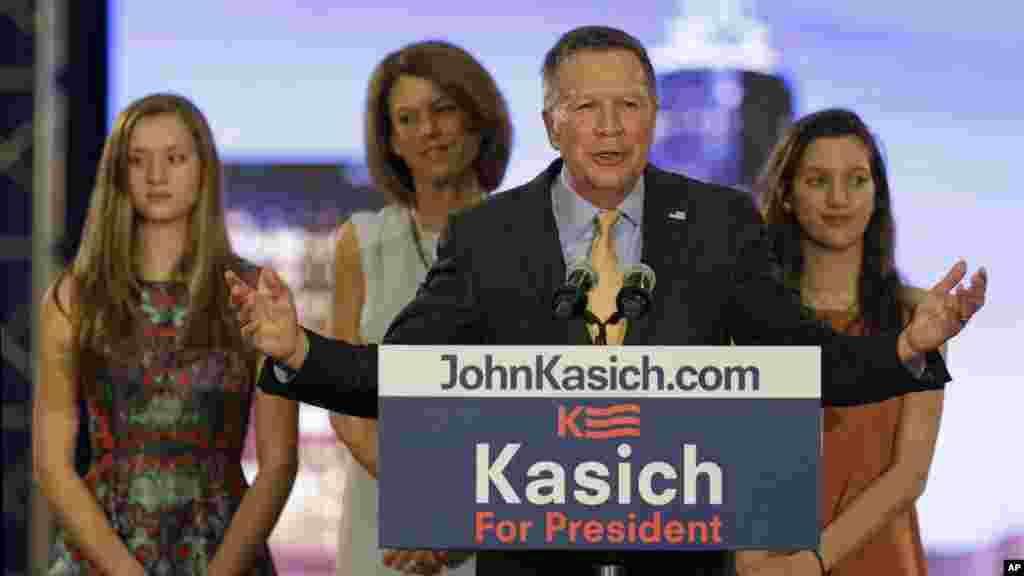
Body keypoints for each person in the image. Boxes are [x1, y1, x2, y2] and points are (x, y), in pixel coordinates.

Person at [226, 27, 986, 576]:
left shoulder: (720, 223)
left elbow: (800, 359)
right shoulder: (489, 234)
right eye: (589, 108)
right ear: (554, 121)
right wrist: (299, 353)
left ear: (655, 115)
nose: (612, 127)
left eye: (631, 105)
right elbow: (406, 372)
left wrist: (904, 348)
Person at [33, 93, 299, 575]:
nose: (156, 176)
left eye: (174, 158)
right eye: (138, 161)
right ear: (118, 173)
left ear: (203, 169)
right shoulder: (74, 299)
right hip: (101, 555)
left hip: (221, 550)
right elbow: (53, 464)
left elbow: (279, 463)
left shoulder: (253, 294)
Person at [735, 109, 946, 575]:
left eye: (856, 180)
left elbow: (909, 477)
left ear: (877, 194)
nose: (839, 199)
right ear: (786, 194)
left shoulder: (919, 316)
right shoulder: (751, 316)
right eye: (817, 180)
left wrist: (812, 563)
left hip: (879, 559)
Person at [328, 40, 511, 576]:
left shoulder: (537, 240)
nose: (427, 131)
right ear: (391, 142)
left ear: (478, 118)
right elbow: (343, 401)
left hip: (496, 527)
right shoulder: (359, 244)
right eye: (407, 119)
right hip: (386, 531)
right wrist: (426, 494)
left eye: (443, 110)